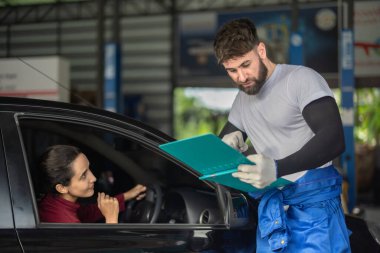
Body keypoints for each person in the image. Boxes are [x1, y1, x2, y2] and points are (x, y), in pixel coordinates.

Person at [214, 18, 351, 252]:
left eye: (246, 64)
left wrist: (277, 168)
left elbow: (334, 138)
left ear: (261, 50)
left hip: (314, 208)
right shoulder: (241, 100)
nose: (241, 77)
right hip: (274, 211)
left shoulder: (300, 80)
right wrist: (226, 144)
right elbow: (221, 149)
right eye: (232, 70)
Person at [38, 145, 147, 224]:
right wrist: (111, 219)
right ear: (62, 188)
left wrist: (127, 196)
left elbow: (86, 214)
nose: (94, 178)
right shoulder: (68, 225)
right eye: (83, 176)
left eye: (89, 168)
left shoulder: (52, 201)